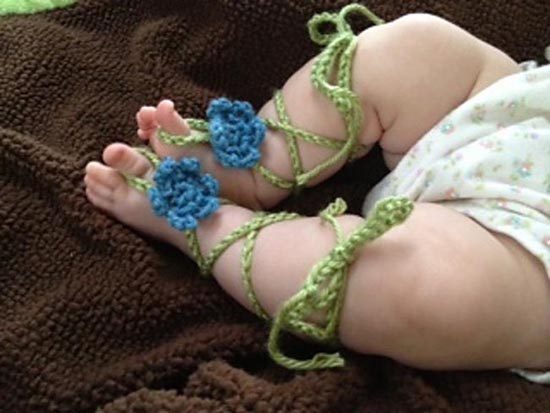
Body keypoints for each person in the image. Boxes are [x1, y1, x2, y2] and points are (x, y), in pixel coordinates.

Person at [83, 4, 550, 380]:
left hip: (529, 255)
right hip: (518, 114)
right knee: (419, 48)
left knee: (427, 291)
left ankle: (210, 225)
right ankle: (259, 166)